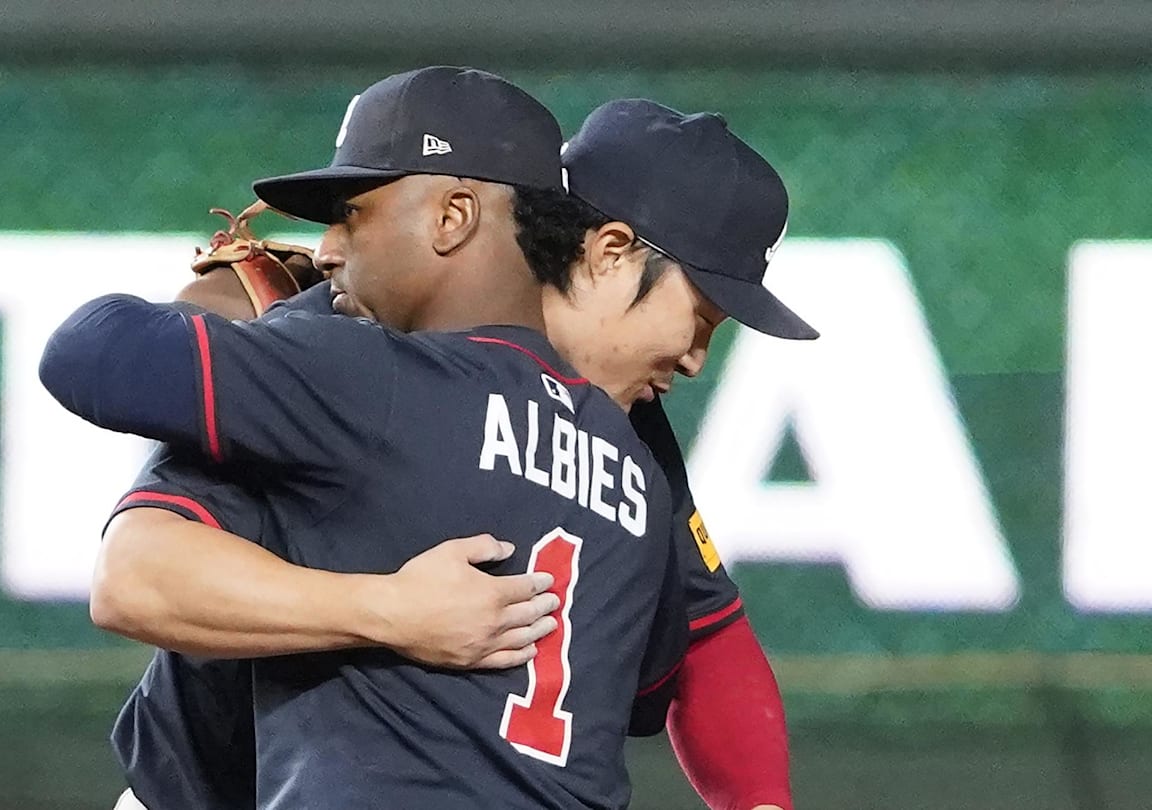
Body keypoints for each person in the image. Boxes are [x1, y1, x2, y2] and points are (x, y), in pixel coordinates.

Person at [83, 95, 812, 810]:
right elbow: (136, 577)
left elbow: (708, 635)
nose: (694, 360)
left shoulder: (625, 422)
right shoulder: (341, 344)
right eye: (701, 316)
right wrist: (388, 610)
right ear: (610, 253)